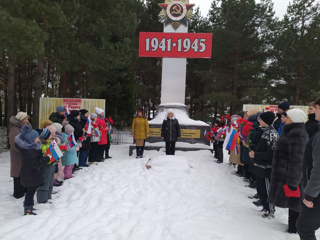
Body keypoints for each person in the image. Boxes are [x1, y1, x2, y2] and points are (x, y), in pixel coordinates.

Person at [268, 108, 309, 233]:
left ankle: (294, 227)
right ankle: (292, 225)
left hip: (291, 174)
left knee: (295, 200)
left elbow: (298, 160)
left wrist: (293, 180)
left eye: (288, 117)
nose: (284, 119)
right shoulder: (290, 132)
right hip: (284, 172)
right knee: (293, 201)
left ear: (294, 119)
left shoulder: (297, 134)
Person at [296, 97, 320, 240]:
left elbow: (319, 169)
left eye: (315, 108)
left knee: (304, 227)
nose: (313, 112)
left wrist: (309, 195)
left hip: (317, 192)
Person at [14, 125, 50, 215]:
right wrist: (46, 159)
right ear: (31, 139)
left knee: (31, 191)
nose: (38, 139)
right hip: (30, 174)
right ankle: (27, 209)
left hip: (31, 173)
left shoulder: (32, 147)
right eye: (37, 137)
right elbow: (35, 164)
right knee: (30, 191)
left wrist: (43, 156)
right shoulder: (29, 150)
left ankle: (29, 205)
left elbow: (36, 159)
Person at [249, 111, 278, 218]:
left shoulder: (271, 133)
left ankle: (270, 210)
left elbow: (272, 153)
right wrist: (252, 147)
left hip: (267, 167)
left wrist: (256, 154)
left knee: (267, 189)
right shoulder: (263, 131)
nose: (259, 121)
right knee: (261, 188)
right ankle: (265, 207)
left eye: (261, 119)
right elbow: (259, 146)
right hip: (260, 165)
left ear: (266, 121)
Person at [9, 112, 31, 199]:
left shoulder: (25, 127)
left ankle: (24, 189)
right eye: (26, 119)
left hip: (25, 153)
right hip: (18, 154)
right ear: (21, 120)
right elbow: (14, 143)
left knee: (23, 172)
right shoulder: (15, 129)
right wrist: (24, 151)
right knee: (17, 172)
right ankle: (18, 193)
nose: (27, 120)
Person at [35, 128, 54, 204]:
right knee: (45, 180)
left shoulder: (49, 142)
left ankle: (48, 196)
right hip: (45, 164)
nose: (51, 136)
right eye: (49, 135)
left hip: (51, 163)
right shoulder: (41, 145)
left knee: (50, 179)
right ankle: (42, 199)